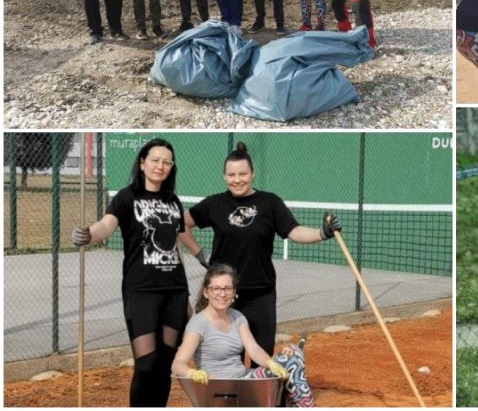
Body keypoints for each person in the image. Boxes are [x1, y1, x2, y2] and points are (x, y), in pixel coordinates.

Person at [179, 142, 342, 358]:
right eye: (231, 175)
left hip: (261, 294)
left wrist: (323, 233)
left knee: (262, 357)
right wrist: (201, 255)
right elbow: (180, 224)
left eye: (243, 174)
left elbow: (294, 231)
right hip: (224, 295)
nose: (237, 180)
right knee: (228, 357)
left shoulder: (270, 203)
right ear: (224, 176)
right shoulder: (214, 204)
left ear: (253, 173)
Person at [70, 138, 197, 406]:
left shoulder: (173, 201)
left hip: (174, 291)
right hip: (141, 291)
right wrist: (88, 234)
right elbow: (106, 225)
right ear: (142, 163)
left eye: (167, 162)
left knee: (165, 363)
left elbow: (175, 248)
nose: (160, 166)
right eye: (155, 160)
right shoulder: (127, 198)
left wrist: (185, 297)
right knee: (147, 363)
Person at [172, 264, 315, 407]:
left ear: (234, 292)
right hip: (217, 386)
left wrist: (272, 363)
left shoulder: (238, 317)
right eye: (216, 288)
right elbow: (177, 364)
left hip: (243, 380)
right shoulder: (198, 324)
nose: (222, 294)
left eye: (227, 288)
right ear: (205, 292)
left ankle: (299, 405)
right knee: (292, 362)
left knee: (293, 354)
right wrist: (192, 374)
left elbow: (253, 349)